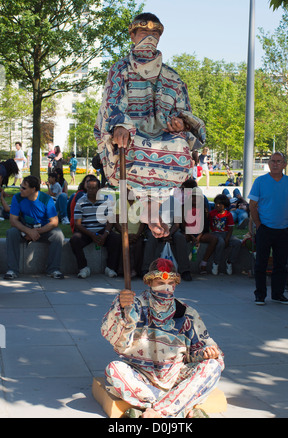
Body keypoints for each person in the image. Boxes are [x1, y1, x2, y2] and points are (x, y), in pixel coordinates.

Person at [94, 13, 206, 238]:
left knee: (180, 148)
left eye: (155, 33)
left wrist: (179, 123)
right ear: (133, 35)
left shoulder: (171, 76)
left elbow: (183, 111)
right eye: (144, 32)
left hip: (161, 137)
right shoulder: (120, 69)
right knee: (130, 146)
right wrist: (119, 126)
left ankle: (153, 215)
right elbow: (112, 100)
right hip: (129, 134)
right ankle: (149, 209)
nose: (150, 37)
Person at [101, 258, 224, 418]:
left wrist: (207, 353)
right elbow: (118, 342)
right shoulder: (135, 305)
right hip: (141, 374)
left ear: (175, 284)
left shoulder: (187, 313)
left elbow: (199, 349)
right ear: (149, 282)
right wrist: (121, 308)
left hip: (176, 375)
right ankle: (180, 407)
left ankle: (157, 411)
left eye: (170, 284)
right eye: (159, 283)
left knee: (212, 367)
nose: (166, 288)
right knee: (114, 369)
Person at [248, 152, 288, 305]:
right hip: (265, 229)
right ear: (268, 163)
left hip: (284, 229)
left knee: (281, 265)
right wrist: (258, 224)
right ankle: (260, 295)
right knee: (261, 264)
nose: (275, 164)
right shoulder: (260, 181)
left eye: (279, 161)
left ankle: (278, 294)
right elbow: (252, 205)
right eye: (272, 161)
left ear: (284, 164)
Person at [4, 175, 65, 279]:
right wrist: (28, 231)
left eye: (24, 188)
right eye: (20, 186)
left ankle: (53, 269)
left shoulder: (46, 199)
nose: (20, 189)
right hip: (24, 229)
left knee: (58, 234)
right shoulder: (17, 197)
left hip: (43, 229)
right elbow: (13, 220)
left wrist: (36, 232)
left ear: (33, 189)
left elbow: (54, 222)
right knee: (11, 232)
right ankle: (12, 270)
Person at [69, 177, 122, 279]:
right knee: (75, 240)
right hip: (86, 230)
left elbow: (111, 220)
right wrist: (92, 235)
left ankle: (111, 267)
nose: (90, 190)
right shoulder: (81, 201)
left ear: (99, 189)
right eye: (88, 188)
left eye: (93, 188)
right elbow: (77, 224)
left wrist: (105, 234)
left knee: (116, 239)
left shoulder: (105, 201)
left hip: (102, 229)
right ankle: (83, 268)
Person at [141, 195, 193, 281]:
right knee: (151, 238)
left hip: (171, 229)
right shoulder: (151, 201)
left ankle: (185, 270)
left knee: (180, 238)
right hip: (154, 227)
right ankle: (146, 269)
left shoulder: (175, 201)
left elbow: (177, 224)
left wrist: (168, 234)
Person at [180, 179, 218, 275]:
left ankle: (204, 262)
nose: (195, 199)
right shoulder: (184, 207)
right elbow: (183, 224)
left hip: (199, 233)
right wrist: (191, 236)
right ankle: (183, 264)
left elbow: (205, 225)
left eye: (197, 197)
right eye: (193, 197)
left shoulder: (203, 209)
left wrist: (199, 237)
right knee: (181, 238)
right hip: (188, 232)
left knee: (214, 239)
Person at [114, 189, 146, 278]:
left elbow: (143, 223)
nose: (130, 193)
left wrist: (137, 234)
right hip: (122, 233)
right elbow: (116, 222)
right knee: (125, 243)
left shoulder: (140, 204)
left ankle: (136, 270)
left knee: (138, 244)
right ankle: (126, 271)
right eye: (127, 191)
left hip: (136, 234)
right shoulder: (119, 202)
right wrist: (125, 234)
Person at [208, 194, 242, 275]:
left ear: (225, 206)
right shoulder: (212, 213)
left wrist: (227, 238)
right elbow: (208, 224)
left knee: (237, 243)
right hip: (215, 233)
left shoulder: (228, 214)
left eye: (220, 204)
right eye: (216, 203)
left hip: (226, 233)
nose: (217, 205)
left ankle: (230, 262)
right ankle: (216, 263)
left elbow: (230, 228)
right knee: (221, 243)